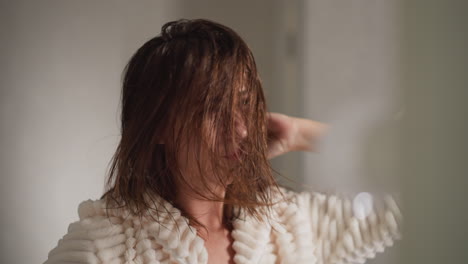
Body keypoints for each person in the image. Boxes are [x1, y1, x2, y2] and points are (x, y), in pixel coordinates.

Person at [43, 19, 401, 264]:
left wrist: (300, 133)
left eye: (245, 104)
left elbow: (420, 196)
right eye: (213, 108)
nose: (242, 130)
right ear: (159, 127)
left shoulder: (287, 225)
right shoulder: (104, 247)